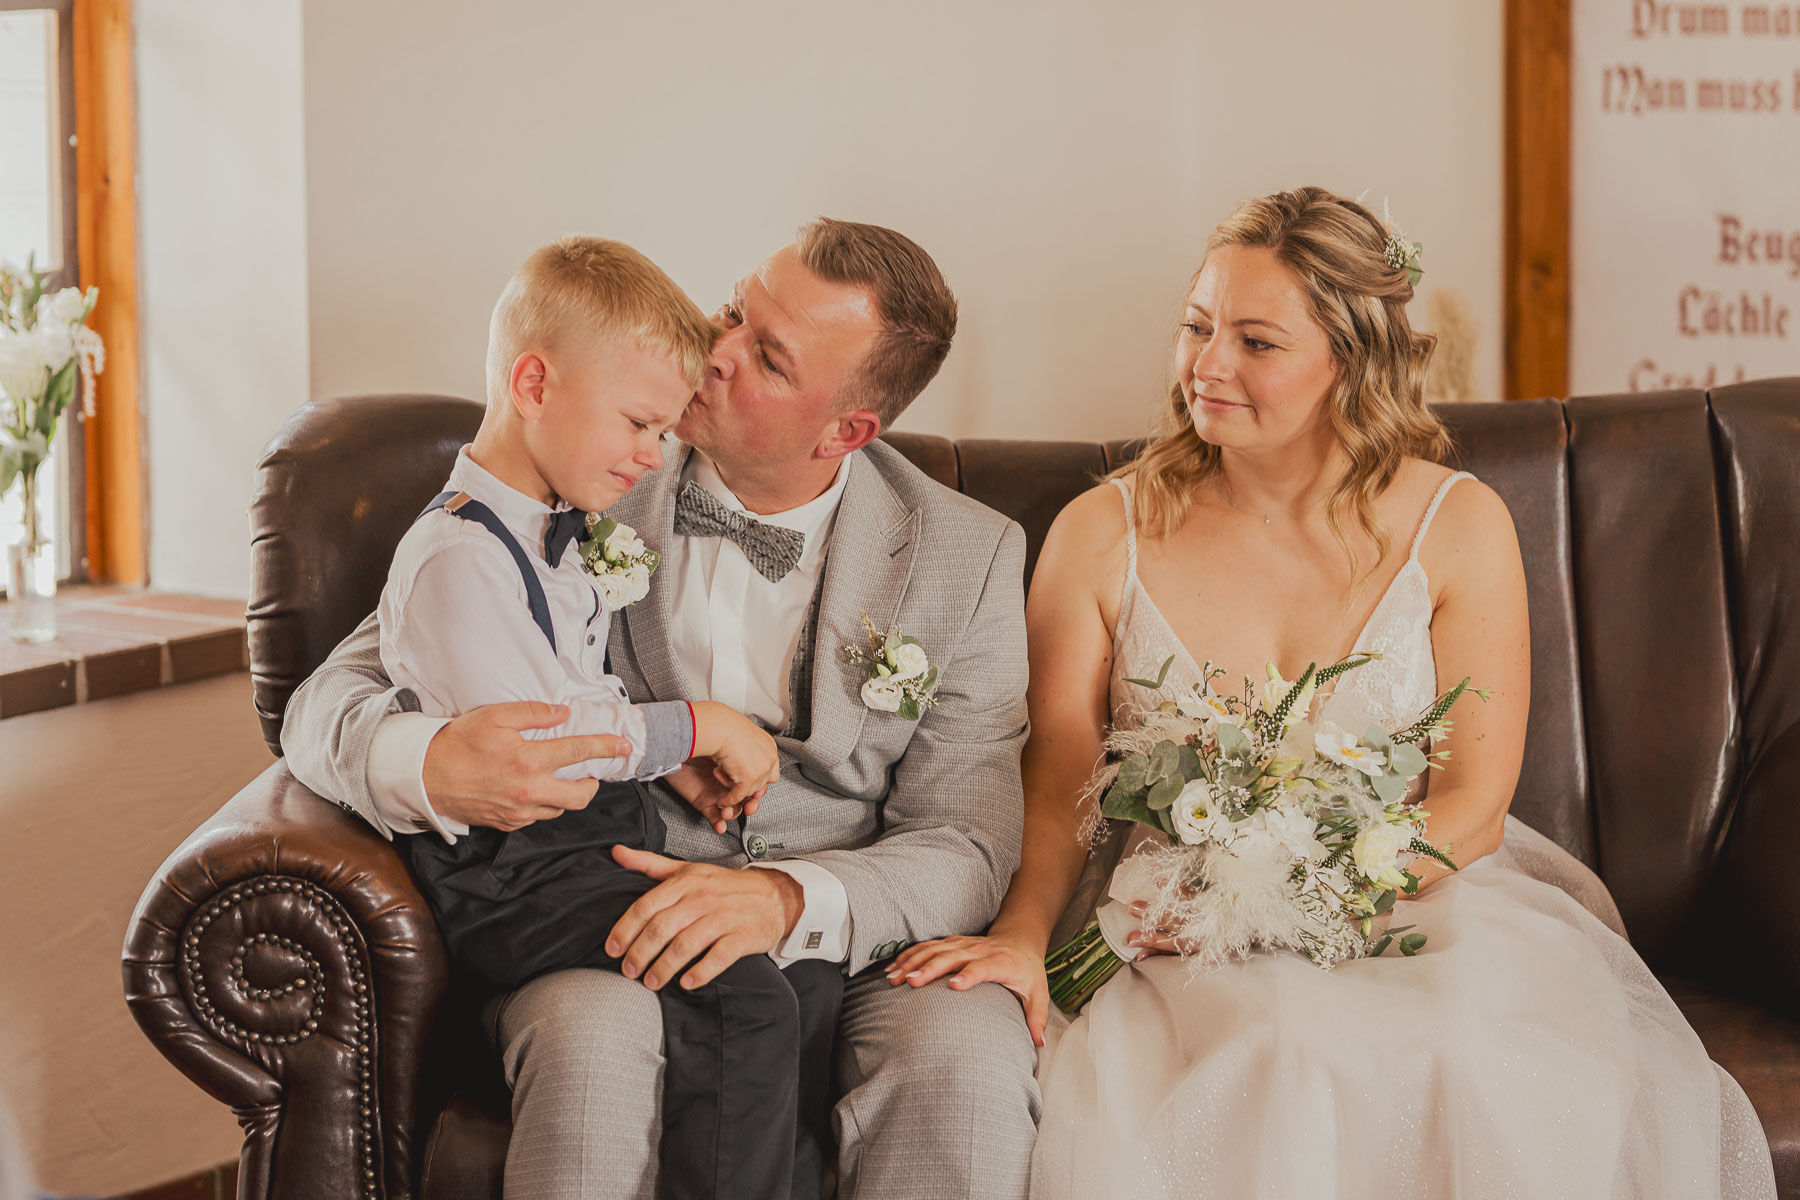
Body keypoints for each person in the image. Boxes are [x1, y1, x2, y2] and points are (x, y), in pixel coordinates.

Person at [889, 187, 1777, 1198]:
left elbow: (1472, 805)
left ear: (1351, 363)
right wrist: (1020, 935)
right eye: (1196, 326)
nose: (1206, 366)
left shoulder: (1457, 522)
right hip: (1166, 922)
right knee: (1281, 1047)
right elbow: (1054, 787)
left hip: (1413, 904)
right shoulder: (1102, 532)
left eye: (1256, 342)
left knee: (1457, 1046)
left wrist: (1293, 900)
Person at [280, 218, 1041, 1200]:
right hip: (606, 902)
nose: (712, 352)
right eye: (733, 311)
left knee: (968, 1058)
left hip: (852, 927)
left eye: (765, 357)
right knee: (593, 1042)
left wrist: (789, 900)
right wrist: (424, 761)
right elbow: (328, 699)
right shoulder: (584, 464)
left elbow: (969, 840)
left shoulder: (965, 557)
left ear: (844, 430)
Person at [376, 235, 833, 1200]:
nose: (652, 454)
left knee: (790, 992)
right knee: (746, 1002)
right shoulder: (461, 558)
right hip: (511, 877)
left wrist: (661, 766)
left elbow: (570, 680)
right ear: (533, 383)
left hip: (571, 855)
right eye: (636, 422)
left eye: (662, 432)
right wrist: (698, 727)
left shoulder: (548, 527)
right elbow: (549, 743)